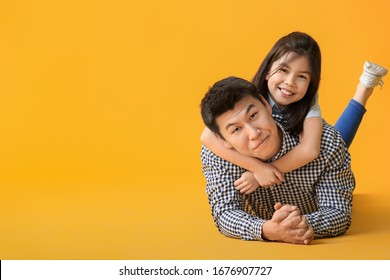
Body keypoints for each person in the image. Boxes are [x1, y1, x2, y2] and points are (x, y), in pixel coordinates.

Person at [201, 32, 387, 194]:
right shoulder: (248, 96)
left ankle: (363, 90)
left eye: (302, 77)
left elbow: (310, 150)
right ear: (267, 71)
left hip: (305, 153)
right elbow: (207, 136)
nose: (290, 82)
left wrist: (263, 174)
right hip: (267, 157)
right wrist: (256, 168)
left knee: (336, 142)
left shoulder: (309, 103)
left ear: (311, 84)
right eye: (283, 70)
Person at [200, 76, 354, 244]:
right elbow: (224, 213)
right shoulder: (218, 154)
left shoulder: (325, 141)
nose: (254, 134)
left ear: (266, 105)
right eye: (236, 129)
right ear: (222, 140)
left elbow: (338, 212)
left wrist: (298, 226)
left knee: (344, 136)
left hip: (326, 161)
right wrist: (268, 230)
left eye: (253, 115)